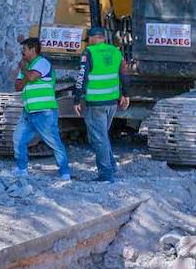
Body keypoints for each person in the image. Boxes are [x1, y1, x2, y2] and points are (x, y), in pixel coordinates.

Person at [73, 27, 128, 182]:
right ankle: (112, 166)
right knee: (102, 136)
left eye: (88, 40)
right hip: (112, 102)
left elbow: (81, 77)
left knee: (99, 138)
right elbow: (124, 74)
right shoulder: (116, 51)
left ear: (91, 38)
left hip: (95, 103)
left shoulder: (89, 53)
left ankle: (105, 175)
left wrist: (77, 99)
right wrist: (125, 94)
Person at [12, 37, 71, 181]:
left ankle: (65, 173)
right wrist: (26, 73)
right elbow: (18, 86)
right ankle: (22, 169)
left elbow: (31, 78)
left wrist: (24, 70)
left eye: (24, 49)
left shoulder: (43, 63)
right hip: (28, 111)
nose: (22, 52)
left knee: (53, 142)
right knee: (18, 139)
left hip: (44, 111)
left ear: (33, 50)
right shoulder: (27, 66)